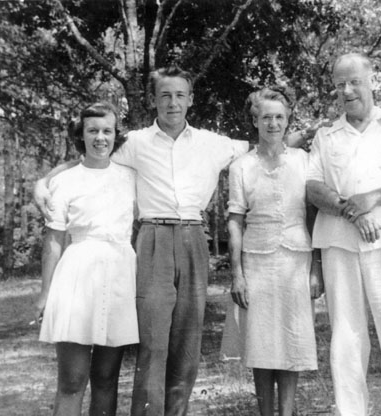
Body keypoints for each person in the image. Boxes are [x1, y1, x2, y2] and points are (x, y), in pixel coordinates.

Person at [34, 66, 314, 416]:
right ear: (153, 100)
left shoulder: (214, 144)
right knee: (152, 343)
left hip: (194, 238)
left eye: (180, 95)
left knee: (186, 344)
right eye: (165, 95)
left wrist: (317, 131)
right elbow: (87, 161)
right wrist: (42, 182)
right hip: (153, 239)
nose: (172, 102)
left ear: (190, 99)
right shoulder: (133, 143)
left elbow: (269, 143)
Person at [306, 53, 381, 416]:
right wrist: (353, 211)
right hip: (340, 246)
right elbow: (313, 188)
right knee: (346, 340)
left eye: (354, 81)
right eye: (340, 83)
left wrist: (372, 197)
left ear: (371, 80)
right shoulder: (326, 137)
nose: (346, 90)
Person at [222, 87, 324, 416]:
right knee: (262, 343)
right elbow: (235, 221)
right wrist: (236, 274)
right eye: (266, 117)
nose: (273, 123)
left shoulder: (303, 160)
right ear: (255, 121)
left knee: (293, 341)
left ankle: (288, 411)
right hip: (256, 264)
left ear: (287, 120)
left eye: (279, 117)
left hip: (297, 259)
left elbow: (313, 215)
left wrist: (316, 269)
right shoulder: (241, 167)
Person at [35, 102, 137, 416]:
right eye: (92, 131)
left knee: (106, 379)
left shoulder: (131, 176)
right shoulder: (66, 180)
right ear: (81, 135)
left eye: (107, 131)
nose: (100, 138)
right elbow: (53, 242)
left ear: (116, 135)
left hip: (119, 274)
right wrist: (44, 294)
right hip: (76, 276)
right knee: (72, 380)